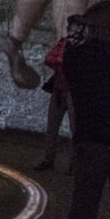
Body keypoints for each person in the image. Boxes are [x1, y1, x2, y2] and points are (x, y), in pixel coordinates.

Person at [62, 0, 110, 219]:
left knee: (84, 209)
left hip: (92, 139)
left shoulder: (80, 54)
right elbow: (74, 68)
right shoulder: (84, 56)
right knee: (84, 209)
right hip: (94, 141)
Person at [34, 14, 85, 172]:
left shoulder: (83, 46)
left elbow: (72, 64)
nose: (70, 29)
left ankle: (74, 164)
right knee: (52, 128)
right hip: (59, 89)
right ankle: (49, 160)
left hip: (73, 92)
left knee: (75, 130)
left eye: (74, 26)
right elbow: (50, 58)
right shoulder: (64, 43)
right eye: (70, 26)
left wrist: (64, 62)